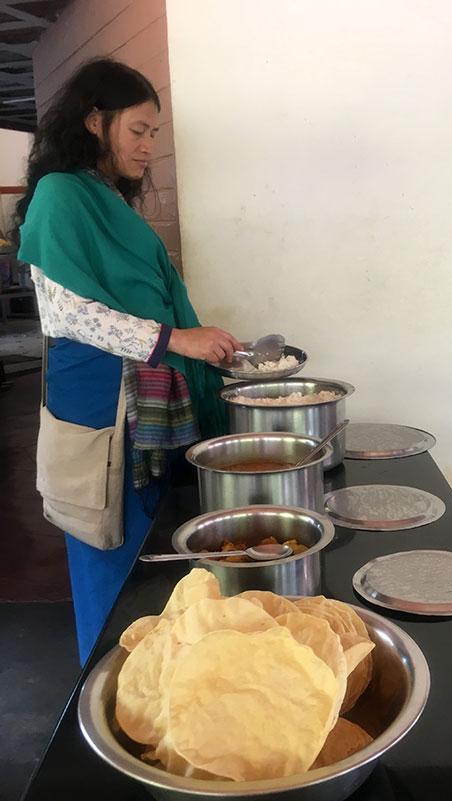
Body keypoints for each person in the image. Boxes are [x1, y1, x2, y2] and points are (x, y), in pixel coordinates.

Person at [13, 58, 242, 664]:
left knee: (152, 547)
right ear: (95, 121)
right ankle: (109, 686)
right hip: (99, 402)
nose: (148, 147)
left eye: (154, 135)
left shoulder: (106, 196)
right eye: (138, 130)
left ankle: (157, 677)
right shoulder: (61, 194)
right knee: (110, 544)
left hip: (144, 394)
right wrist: (179, 341)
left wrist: (207, 346)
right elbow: (66, 315)